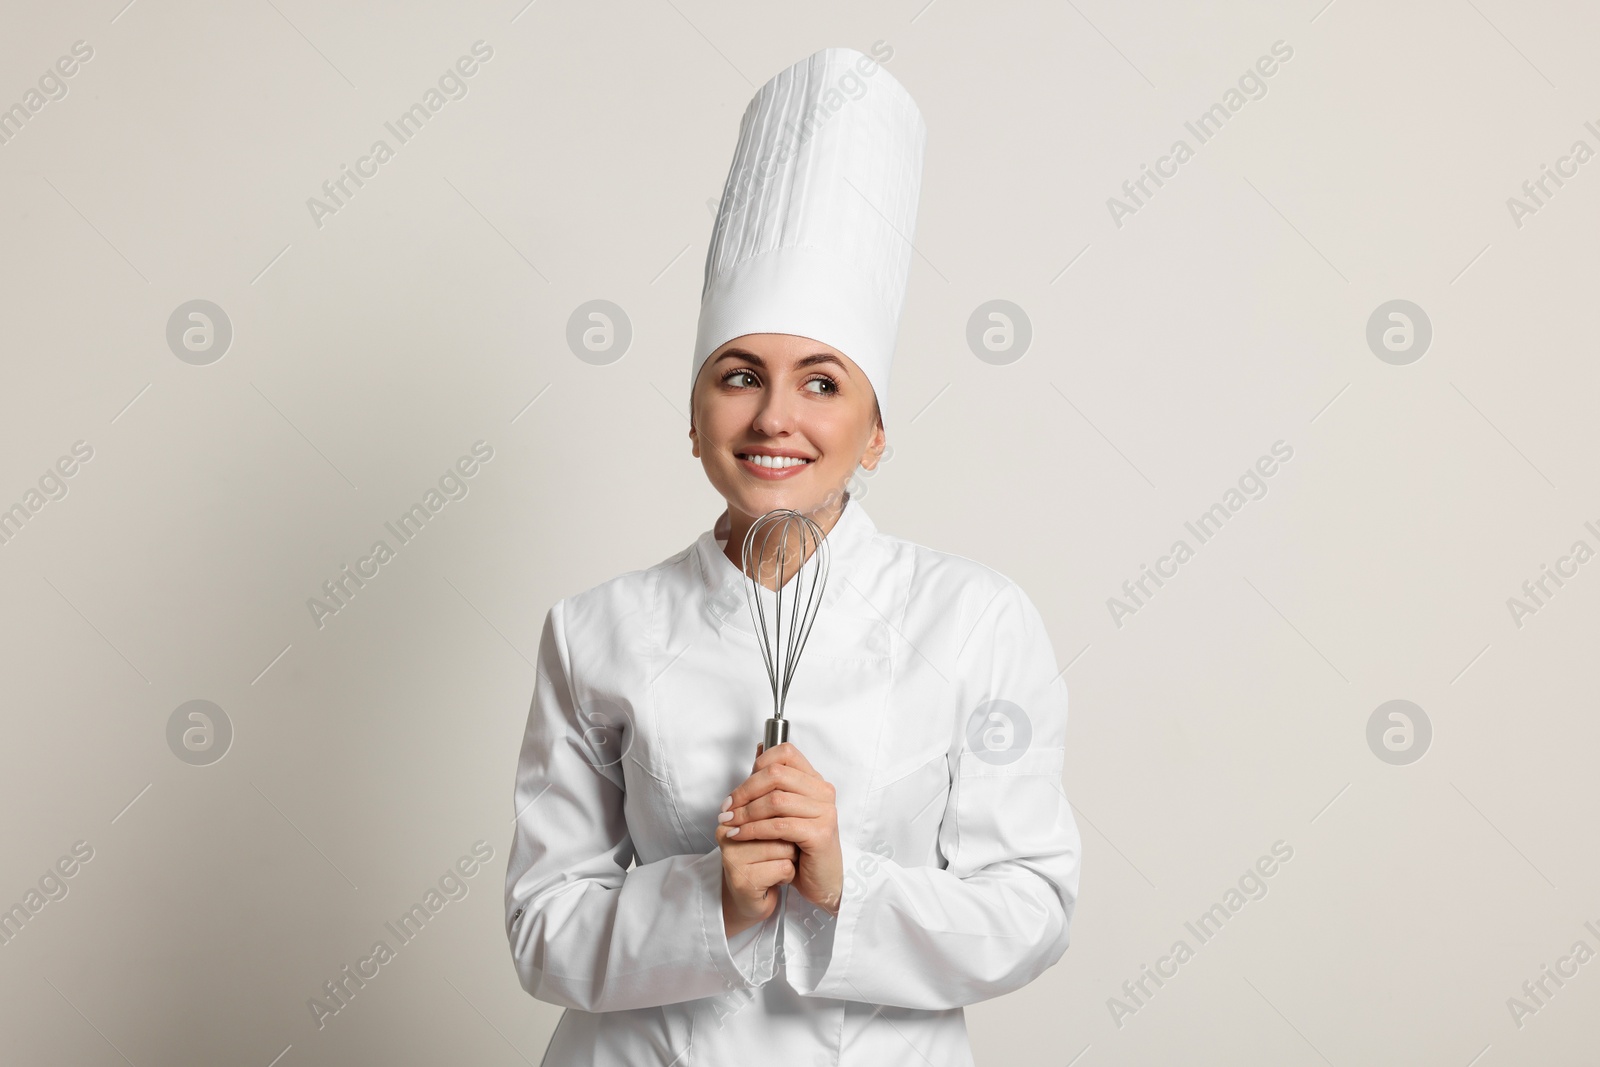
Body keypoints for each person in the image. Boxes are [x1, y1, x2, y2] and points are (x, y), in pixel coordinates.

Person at [505, 46, 1081, 1066]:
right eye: (738, 375)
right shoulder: (594, 631)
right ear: (693, 417)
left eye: (822, 382)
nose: (775, 415)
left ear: (877, 429)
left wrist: (842, 878)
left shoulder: (976, 620)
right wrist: (708, 895)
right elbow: (542, 929)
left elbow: (1030, 907)